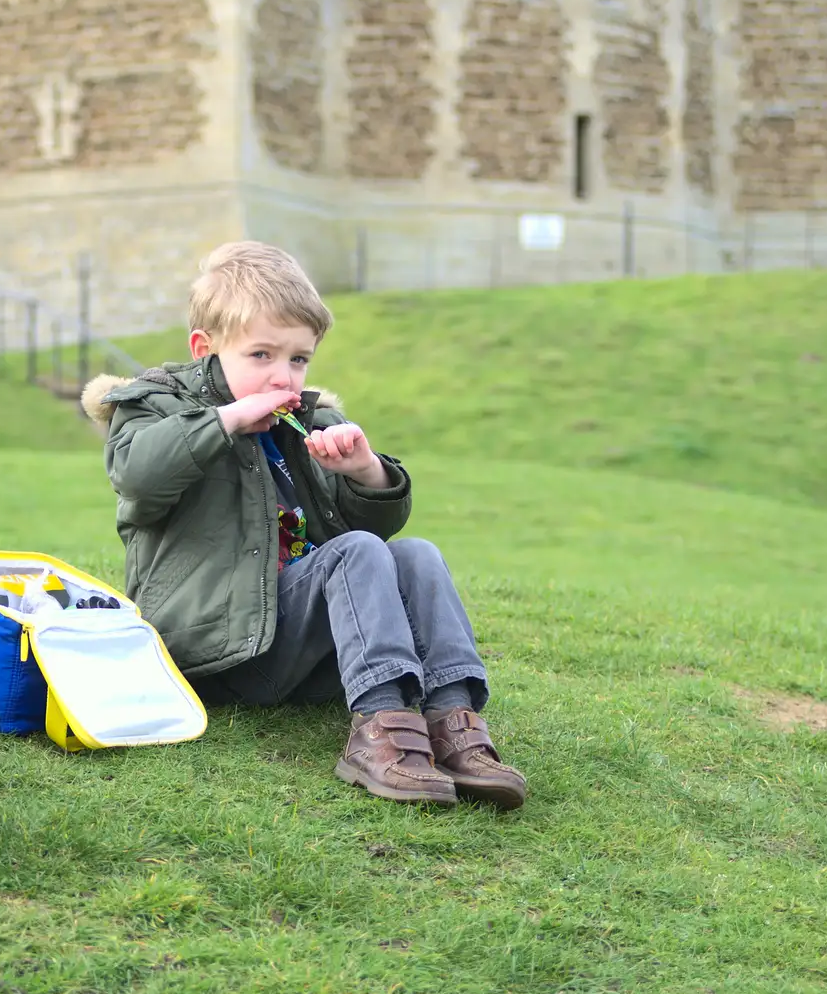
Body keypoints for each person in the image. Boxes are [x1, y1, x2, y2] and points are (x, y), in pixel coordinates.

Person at [80, 241, 526, 809]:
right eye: (261, 355)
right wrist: (226, 421)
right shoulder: (155, 408)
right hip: (215, 648)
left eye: (297, 359)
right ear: (206, 348)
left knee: (416, 553)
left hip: (302, 643)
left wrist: (366, 473)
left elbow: (371, 525)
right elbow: (138, 477)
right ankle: (380, 730)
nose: (281, 375)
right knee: (355, 552)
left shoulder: (307, 420)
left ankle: (452, 722)